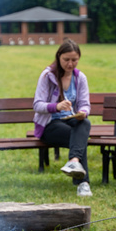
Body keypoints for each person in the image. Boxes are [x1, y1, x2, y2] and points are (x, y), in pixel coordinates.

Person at [32, 39, 92, 196]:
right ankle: (83, 183)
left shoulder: (80, 78)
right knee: (79, 139)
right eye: (66, 60)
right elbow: (37, 105)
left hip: (70, 119)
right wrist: (56, 106)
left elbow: (85, 104)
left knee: (84, 123)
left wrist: (83, 112)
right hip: (49, 124)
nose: (70, 64)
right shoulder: (47, 76)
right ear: (58, 57)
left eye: (74, 60)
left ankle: (73, 162)